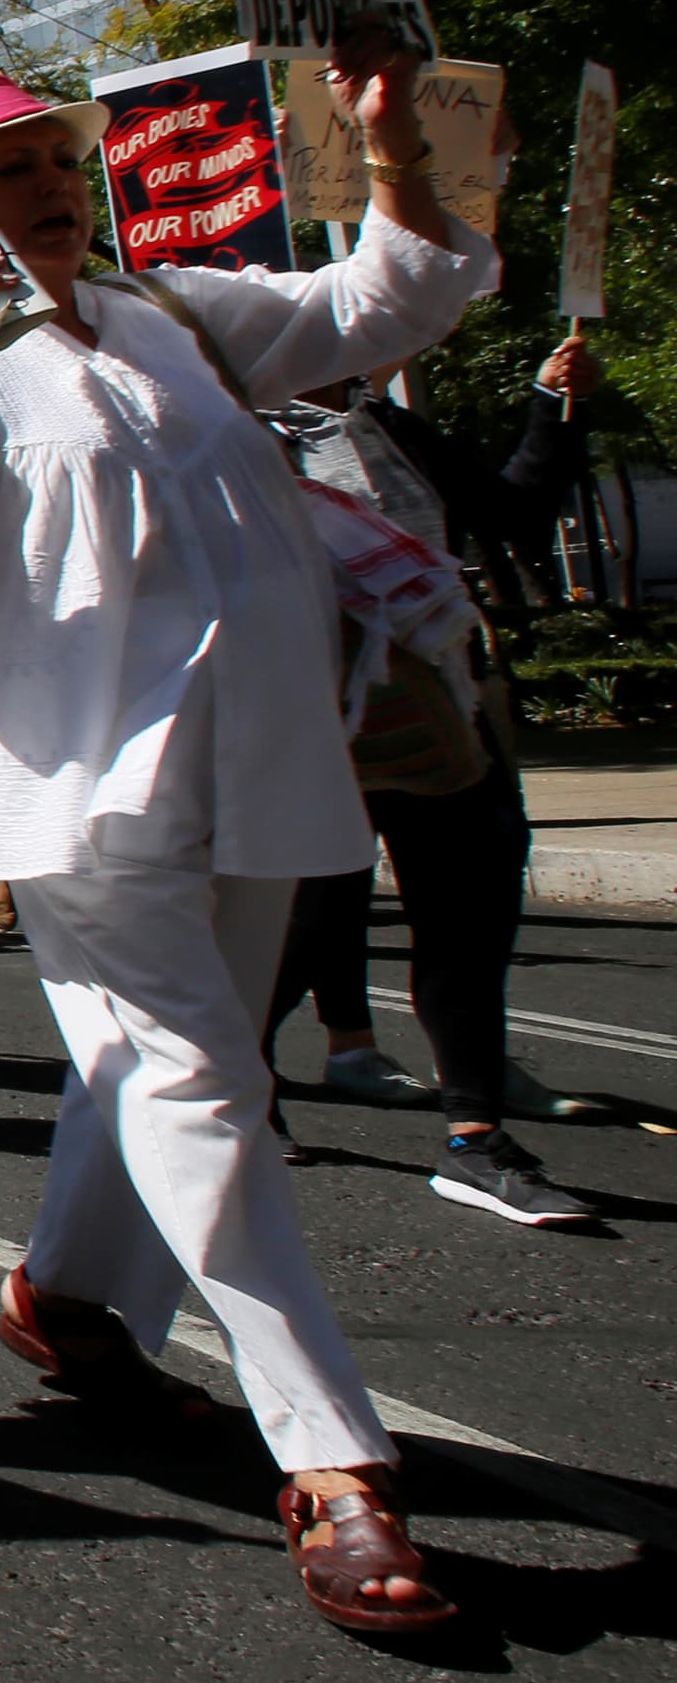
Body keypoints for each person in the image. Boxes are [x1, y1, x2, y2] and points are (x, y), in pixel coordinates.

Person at [0, 56, 485, 1634]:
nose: (50, 182)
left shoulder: (175, 315)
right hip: (75, 789)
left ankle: (63, 1296)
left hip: (260, 767)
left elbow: (387, 304)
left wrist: (390, 161)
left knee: (166, 1074)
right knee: (204, 1091)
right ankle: (333, 1460)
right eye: (11, 166)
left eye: (60, 157)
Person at [264, 330, 604, 1224]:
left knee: (467, 911)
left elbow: (515, 514)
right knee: (312, 918)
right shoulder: (227, 441)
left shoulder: (390, 429)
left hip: (440, 697)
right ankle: (238, 1076)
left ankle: (477, 1137)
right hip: (303, 711)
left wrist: (552, 405)